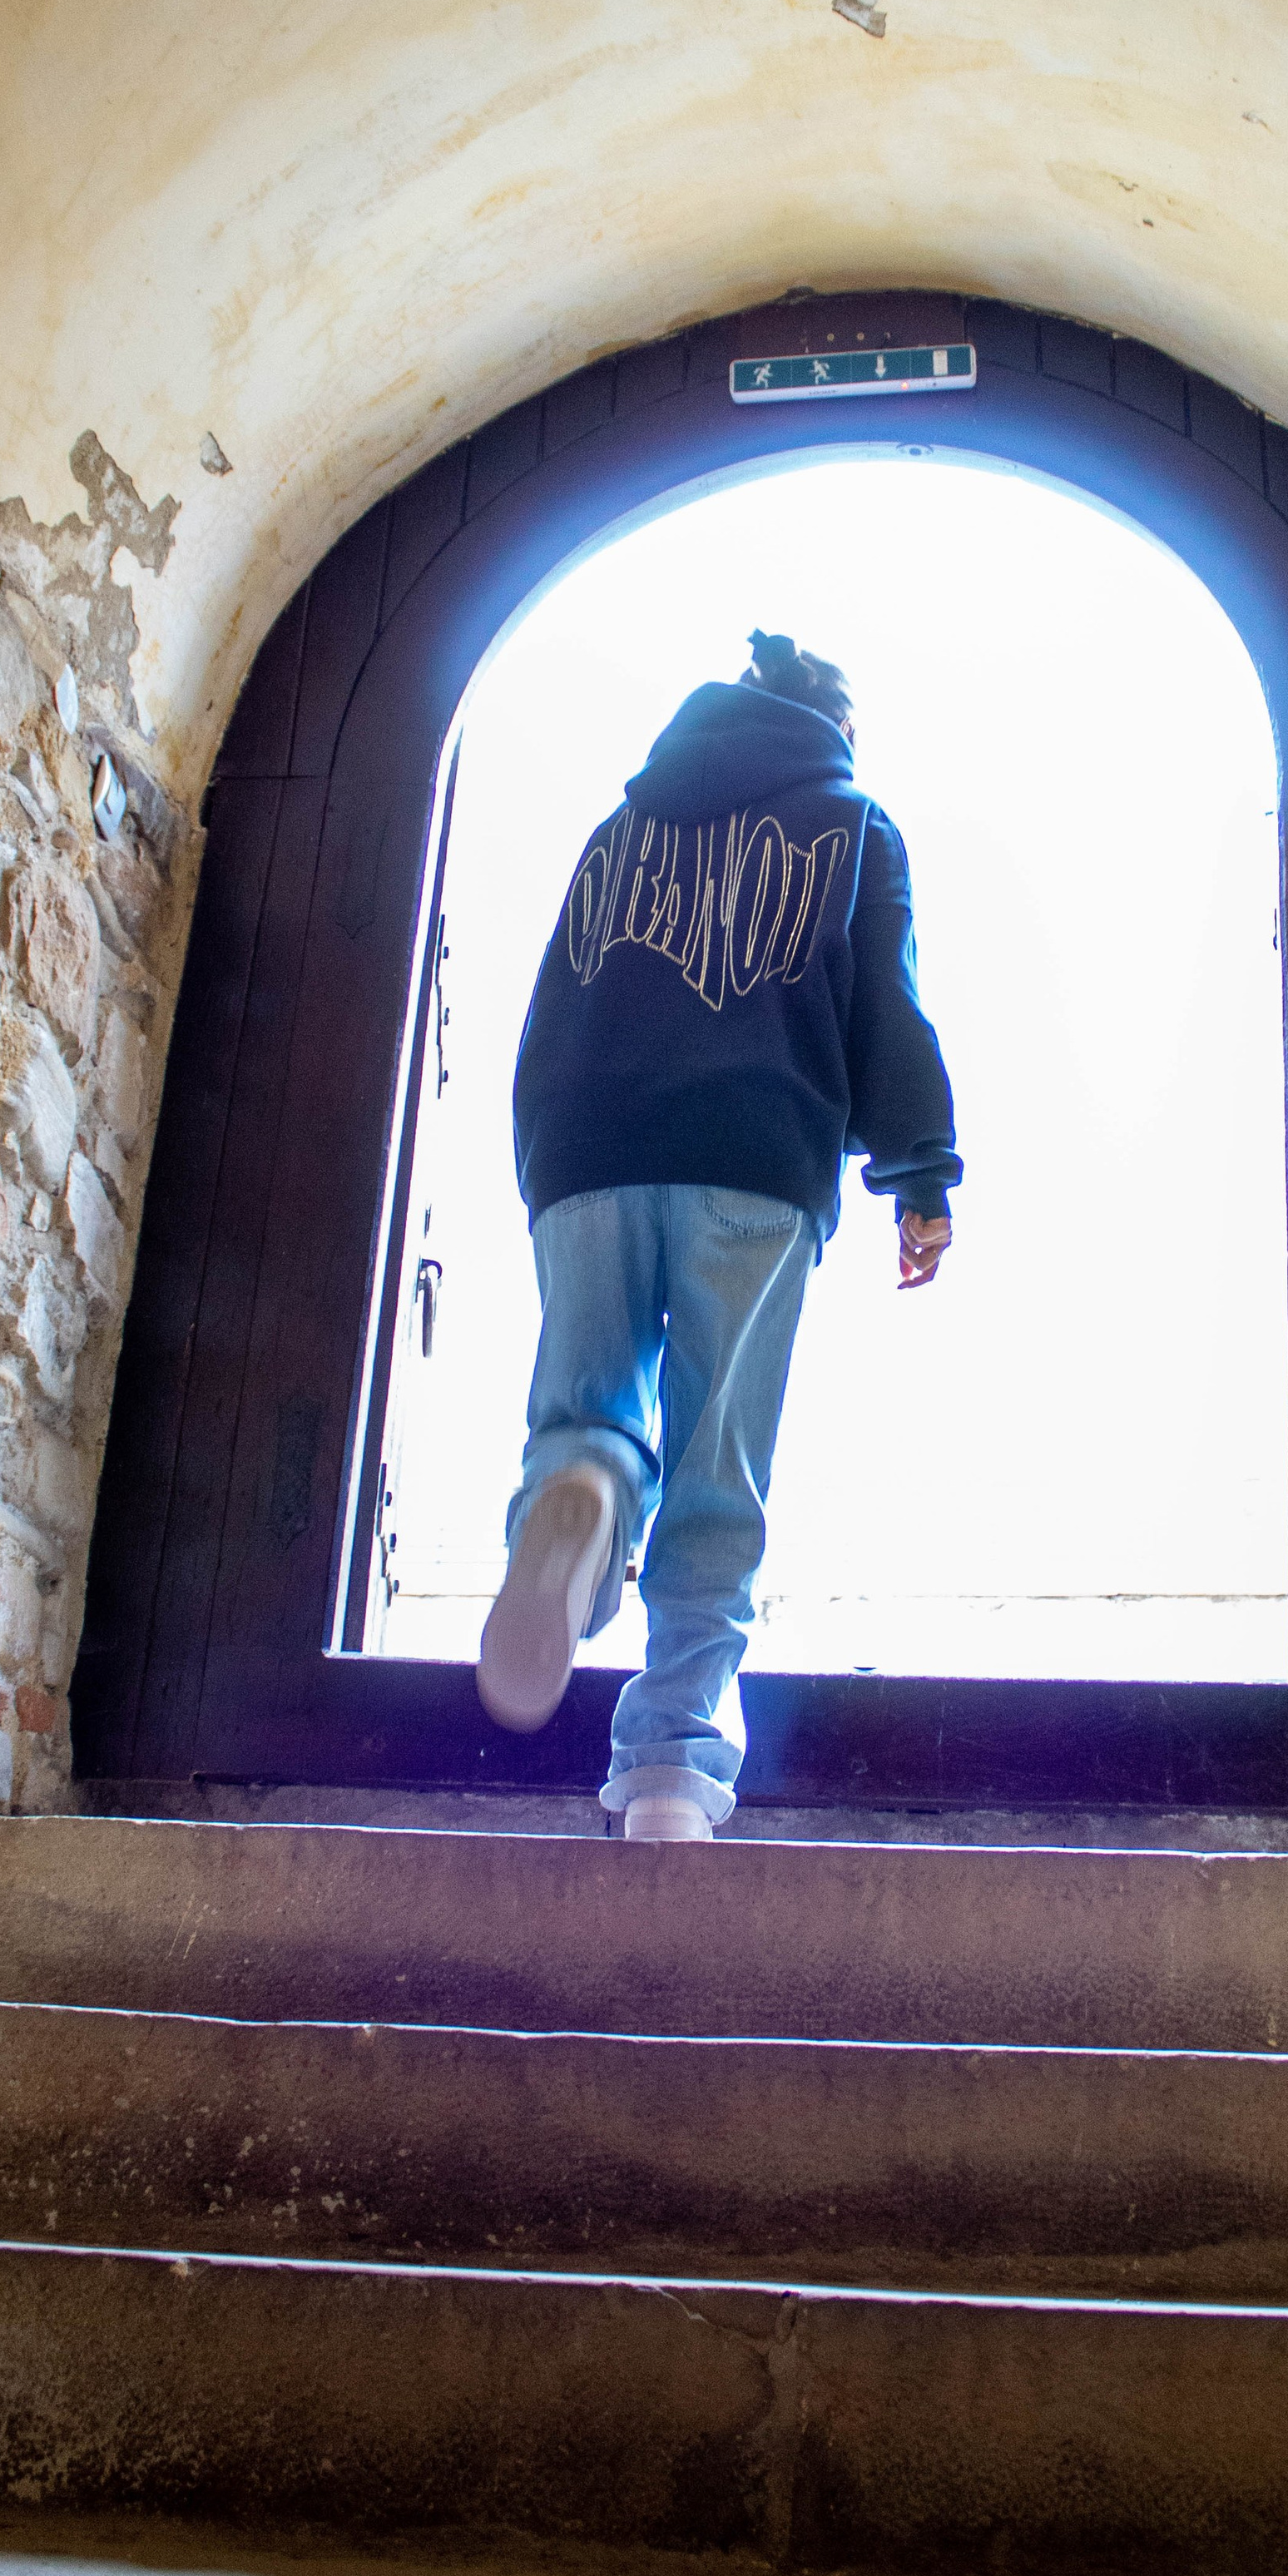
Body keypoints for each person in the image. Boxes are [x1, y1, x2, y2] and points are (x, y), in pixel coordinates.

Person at [477, 629, 961, 1840]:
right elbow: (883, 1005)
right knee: (716, 1476)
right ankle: (669, 1776)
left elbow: (554, 1000)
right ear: (837, 730)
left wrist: (551, 1170)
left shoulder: (621, 826)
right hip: (754, 1159)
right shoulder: (853, 822)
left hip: (589, 1147)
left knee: (589, 1408)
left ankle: (580, 1490)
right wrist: (920, 1173)